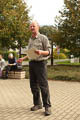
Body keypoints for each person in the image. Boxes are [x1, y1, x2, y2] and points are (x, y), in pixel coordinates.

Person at [19, 21, 51, 116]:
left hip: (41, 64)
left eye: (34, 26)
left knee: (43, 86)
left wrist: (41, 52)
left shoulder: (43, 38)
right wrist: (23, 58)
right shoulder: (30, 39)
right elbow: (30, 53)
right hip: (32, 63)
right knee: (33, 85)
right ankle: (37, 104)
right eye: (31, 26)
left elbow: (49, 52)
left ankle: (47, 106)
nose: (32, 27)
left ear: (38, 27)